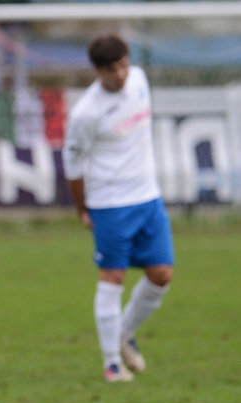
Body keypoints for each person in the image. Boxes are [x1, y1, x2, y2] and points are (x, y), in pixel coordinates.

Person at [63, 34, 174, 382]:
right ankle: (112, 364)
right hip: (110, 203)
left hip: (148, 197)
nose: (121, 74)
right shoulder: (85, 112)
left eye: (124, 65)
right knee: (113, 278)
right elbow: (73, 166)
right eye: (112, 69)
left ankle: (123, 332)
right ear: (98, 71)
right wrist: (82, 209)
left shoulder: (139, 79)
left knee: (162, 275)